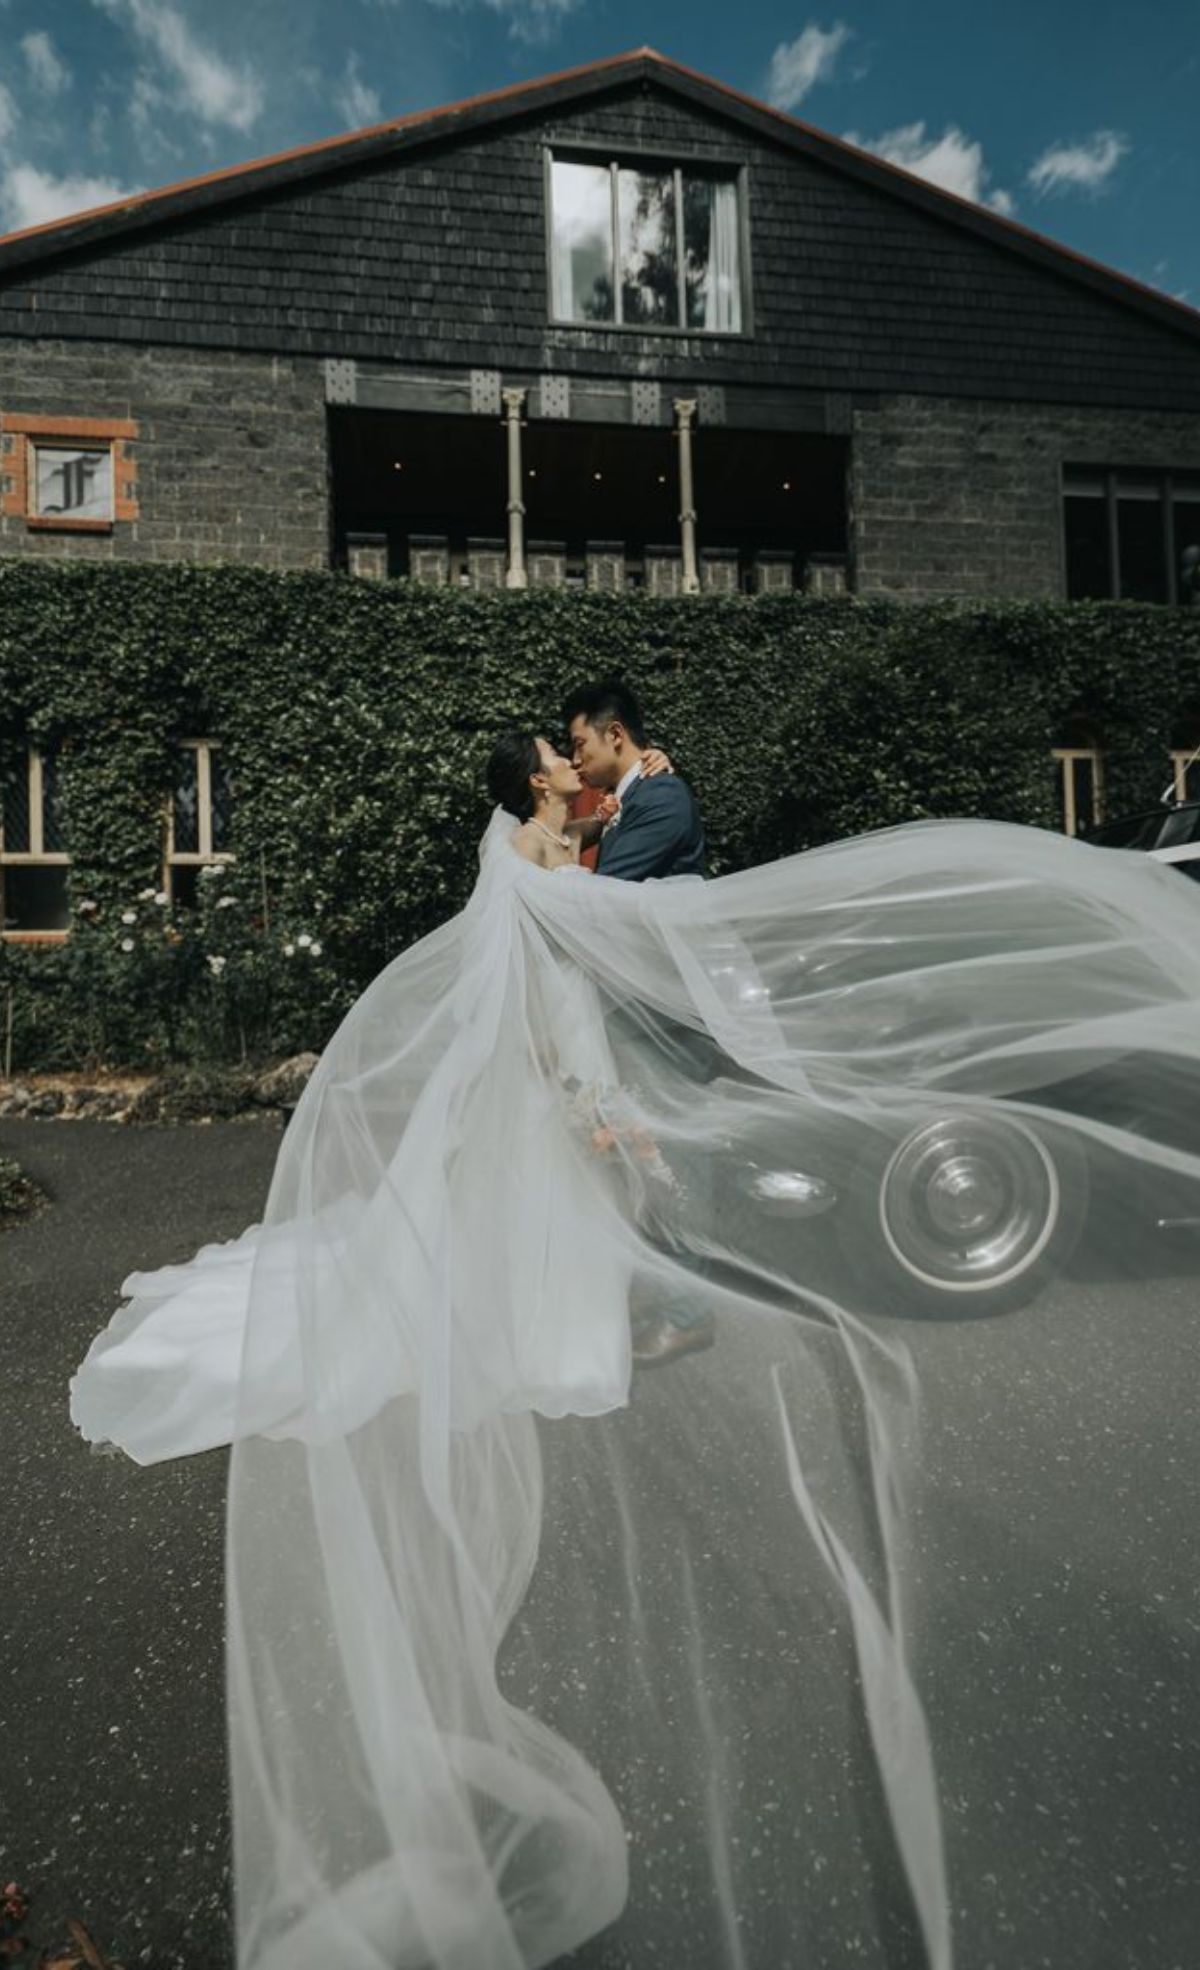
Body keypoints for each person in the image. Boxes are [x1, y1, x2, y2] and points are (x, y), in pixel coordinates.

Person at [67, 742, 1200, 1970]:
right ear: (539, 788)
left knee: (540, 1226)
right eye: (558, 758)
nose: (571, 761)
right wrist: (595, 1098)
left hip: (533, 1080)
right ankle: (559, 1323)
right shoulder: (540, 856)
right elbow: (556, 1001)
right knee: (552, 1212)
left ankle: (567, 1318)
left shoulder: (528, 848)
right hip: (552, 1078)